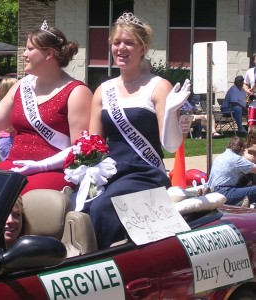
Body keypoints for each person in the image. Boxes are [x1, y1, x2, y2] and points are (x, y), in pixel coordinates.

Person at [71, 12, 190, 249]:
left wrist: (171, 115)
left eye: (129, 43)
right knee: (77, 205)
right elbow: (94, 145)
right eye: (117, 43)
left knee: (103, 208)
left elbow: (171, 146)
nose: (121, 48)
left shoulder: (159, 87)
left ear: (142, 48)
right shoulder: (104, 90)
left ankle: (102, 266)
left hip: (145, 173)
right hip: (111, 173)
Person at [0, 20, 93, 194]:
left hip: (54, 170)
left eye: (30, 49)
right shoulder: (22, 85)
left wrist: (41, 166)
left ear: (49, 53)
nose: (24, 54)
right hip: (15, 165)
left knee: (25, 196)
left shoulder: (77, 92)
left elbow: (81, 149)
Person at [207, 136, 256, 205]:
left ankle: (240, 204)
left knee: (248, 188)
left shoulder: (220, 156)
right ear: (242, 149)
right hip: (224, 193)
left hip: (212, 191)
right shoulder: (237, 159)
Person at [0, 76, 18, 161]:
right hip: (9, 139)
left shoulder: (2, 104)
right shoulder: (10, 106)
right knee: (10, 167)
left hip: (5, 139)